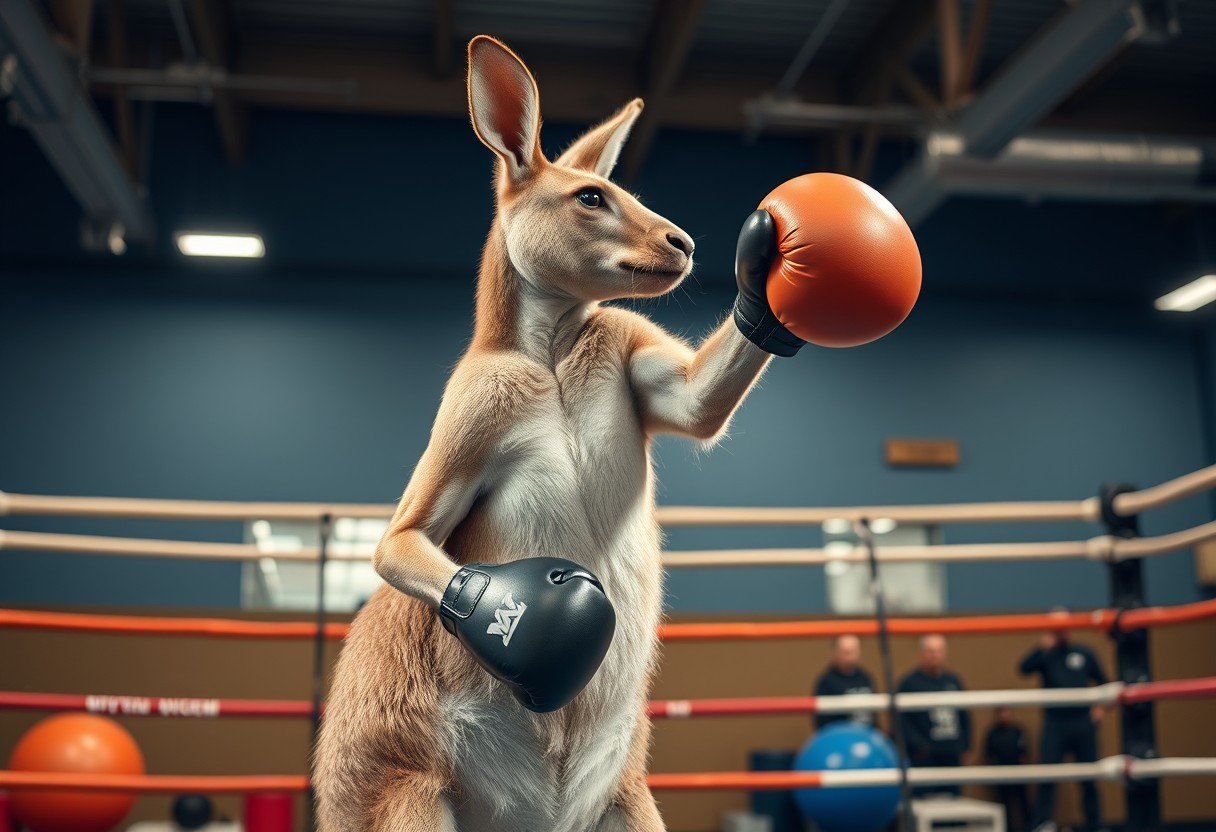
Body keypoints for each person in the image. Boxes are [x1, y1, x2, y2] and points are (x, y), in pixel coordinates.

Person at [1019, 614, 1109, 832]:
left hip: (1082, 723)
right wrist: (1041, 648)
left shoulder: (1085, 653)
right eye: (1057, 629)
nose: (1062, 633)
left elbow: (1104, 681)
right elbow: (1023, 669)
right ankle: (1041, 824)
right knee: (1048, 777)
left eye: (1065, 628)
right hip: (1055, 724)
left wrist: (1100, 707)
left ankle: (1094, 825)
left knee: (1089, 778)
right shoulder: (1046, 655)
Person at [898, 634, 972, 797]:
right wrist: (919, 746)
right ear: (922, 653)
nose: (935, 656)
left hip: (951, 753)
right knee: (925, 802)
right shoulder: (909, 683)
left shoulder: (953, 681)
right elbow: (901, 722)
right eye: (931, 651)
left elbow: (965, 716)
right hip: (924, 757)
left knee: (953, 801)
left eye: (939, 651)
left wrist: (966, 745)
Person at [813, 634, 877, 729]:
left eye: (854, 652)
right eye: (846, 653)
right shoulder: (826, 682)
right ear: (836, 653)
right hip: (840, 739)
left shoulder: (866, 678)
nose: (851, 658)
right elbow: (822, 722)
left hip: (865, 736)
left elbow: (875, 714)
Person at [985, 707, 1031, 831]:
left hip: (1018, 773)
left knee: (1023, 802)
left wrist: (1023, 769)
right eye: (1002, 713)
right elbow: (989, 753)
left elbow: (1024, 751)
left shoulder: (1017, 730)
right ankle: (1007, 828)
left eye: (1007, 712)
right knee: (1004, 804)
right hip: (1001, 774)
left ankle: (1029, 827)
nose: (1004, 715)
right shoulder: (993, 733)